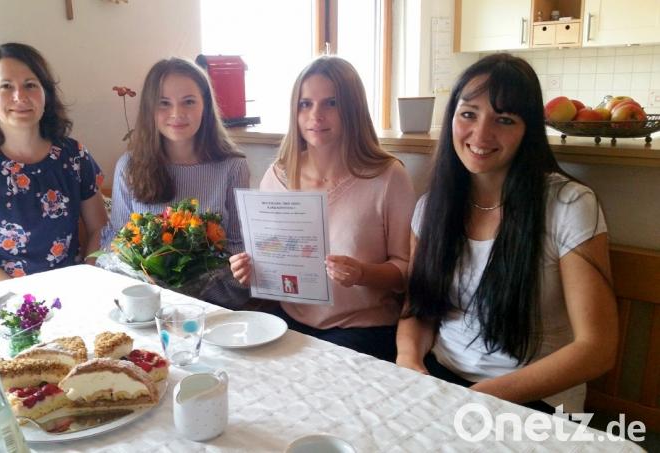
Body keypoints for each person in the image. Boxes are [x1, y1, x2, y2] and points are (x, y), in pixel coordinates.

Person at [395, 53, 617, 414]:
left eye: (504, 119)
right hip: (443, 382)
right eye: (468, 114)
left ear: (528, 130)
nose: (481, 134)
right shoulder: (430, 208)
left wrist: (479, 398)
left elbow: (597, 348)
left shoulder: (568, 204)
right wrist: (409, 363)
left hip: (536, 401)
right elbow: (417, 310)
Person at [229, 56, 415, 361]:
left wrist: (362, 273)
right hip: (290, 322)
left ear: (352, 109)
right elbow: (272, 255)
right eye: (305, 104)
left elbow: (407, 272)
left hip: (364, 327)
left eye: (331, 103)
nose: (316, 115)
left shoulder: (389, 177)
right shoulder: (278, 174)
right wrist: (253, 270)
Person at [0, 43, 108, 281]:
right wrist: (27, 300)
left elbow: (99, 229)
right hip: (2, 299)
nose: (20, 96)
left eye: (30, 85)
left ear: (45, 94)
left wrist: (88, 277)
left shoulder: (74, 156)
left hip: (69, 291)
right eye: (6, 86)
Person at [102, 57, 249, 306]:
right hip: (149, 304)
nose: (177, 114)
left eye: (189, 102)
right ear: (150, 109)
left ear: (205, 105)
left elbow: (238, 245)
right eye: (164, 103)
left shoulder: (232, 167)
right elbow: (118, 242)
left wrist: (199, 289)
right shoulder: (129, 166)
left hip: (215, 304)